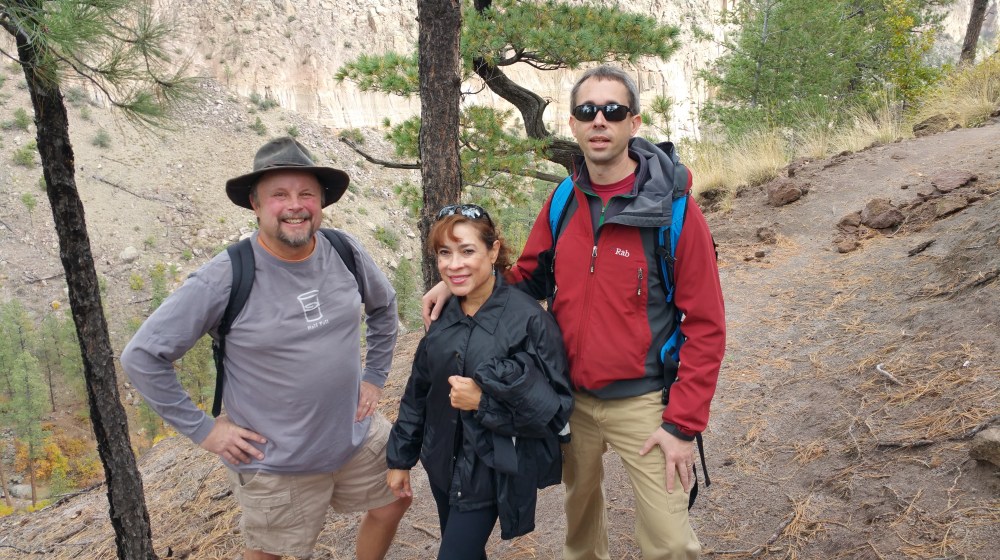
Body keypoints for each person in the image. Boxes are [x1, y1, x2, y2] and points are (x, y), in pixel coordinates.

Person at [423, 65, 726, 559]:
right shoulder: (564, 199)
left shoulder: (673, 211)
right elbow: (526, 278)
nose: (599, 121)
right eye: (588, 111)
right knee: (580, 532)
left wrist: (681, 426)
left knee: (670, 544)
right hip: (569, 399)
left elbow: (707, 326)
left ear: (635, 122)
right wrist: (457, 284)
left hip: (646, 403)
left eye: (613, 111)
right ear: (573, 124)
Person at [121, 137, 411, 560]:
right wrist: (205, 430)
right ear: (256, 205)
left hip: (354, 433)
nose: (295, 205)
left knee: (394, 501)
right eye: (279, 195)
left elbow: (384, 307)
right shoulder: (225, 276)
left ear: (321, 202)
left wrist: (374, 377)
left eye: (306, 193)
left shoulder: (343, 250)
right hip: (277, 461)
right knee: (269, 554)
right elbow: (142, 356)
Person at [389, 204, 573, 559]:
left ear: (493, 251)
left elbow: (556, 412)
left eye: (467, 251)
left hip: (491, 469)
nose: (454, 264)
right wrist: (400, 459)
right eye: (445, 253)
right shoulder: (442, 316)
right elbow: (418, 393)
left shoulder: (529, 321)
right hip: (442, 462)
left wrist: (482, 402)